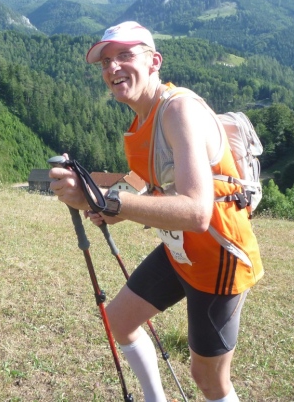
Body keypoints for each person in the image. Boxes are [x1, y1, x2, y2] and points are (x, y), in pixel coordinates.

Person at [49, 21, 264, 402]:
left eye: (124, 56)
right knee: (120, 320)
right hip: (180, 253)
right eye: (105, 62)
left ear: (154, 62)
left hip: (219, 258)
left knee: (208, 379)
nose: (112, 68)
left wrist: (107, 201)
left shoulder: (179, 110)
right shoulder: (140, 122)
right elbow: (145, 187)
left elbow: (197, 212)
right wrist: (94, 193)